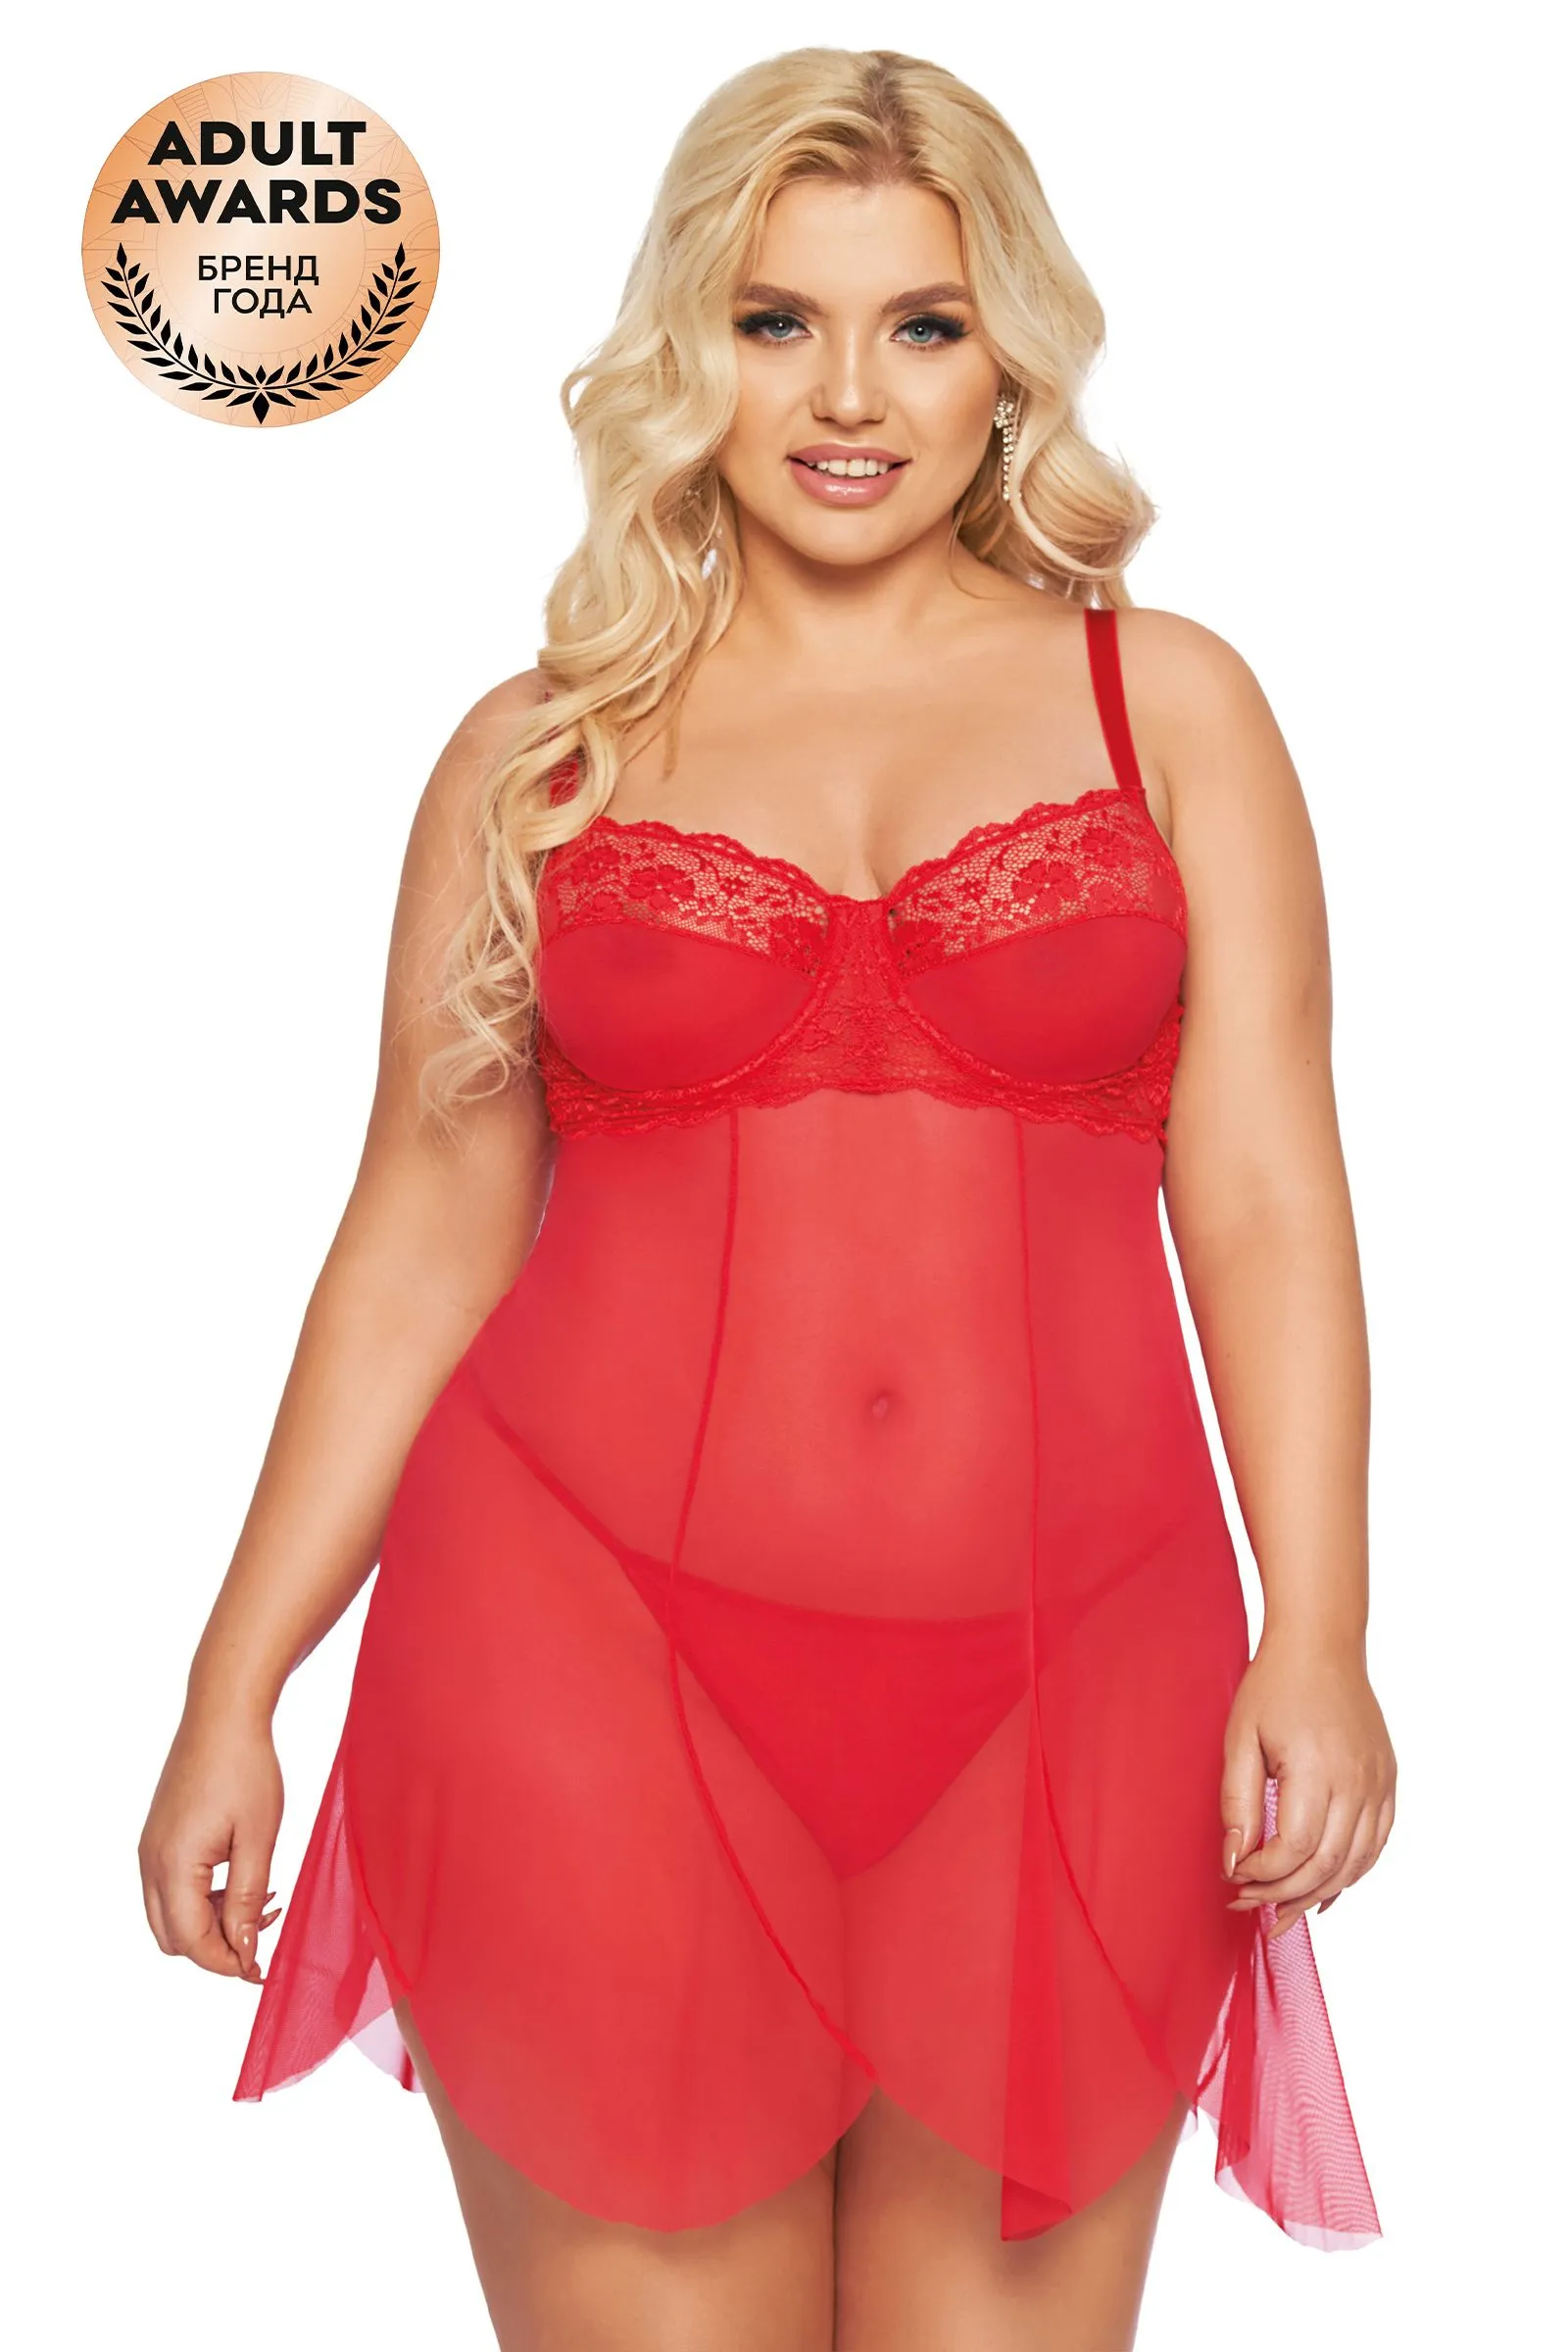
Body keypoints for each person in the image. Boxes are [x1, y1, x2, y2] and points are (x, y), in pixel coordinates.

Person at [138, 46, 1396, 2352]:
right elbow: (415, 1238)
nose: (846, 395)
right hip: (579, 1647)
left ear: (1007, 355)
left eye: (918, 324)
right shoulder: (539, 752)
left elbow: (1262, 1198)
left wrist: (1316, 1626)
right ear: (682, 348)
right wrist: (239, 1680)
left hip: (1075, 1674)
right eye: (771, 320)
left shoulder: (1168, 708)